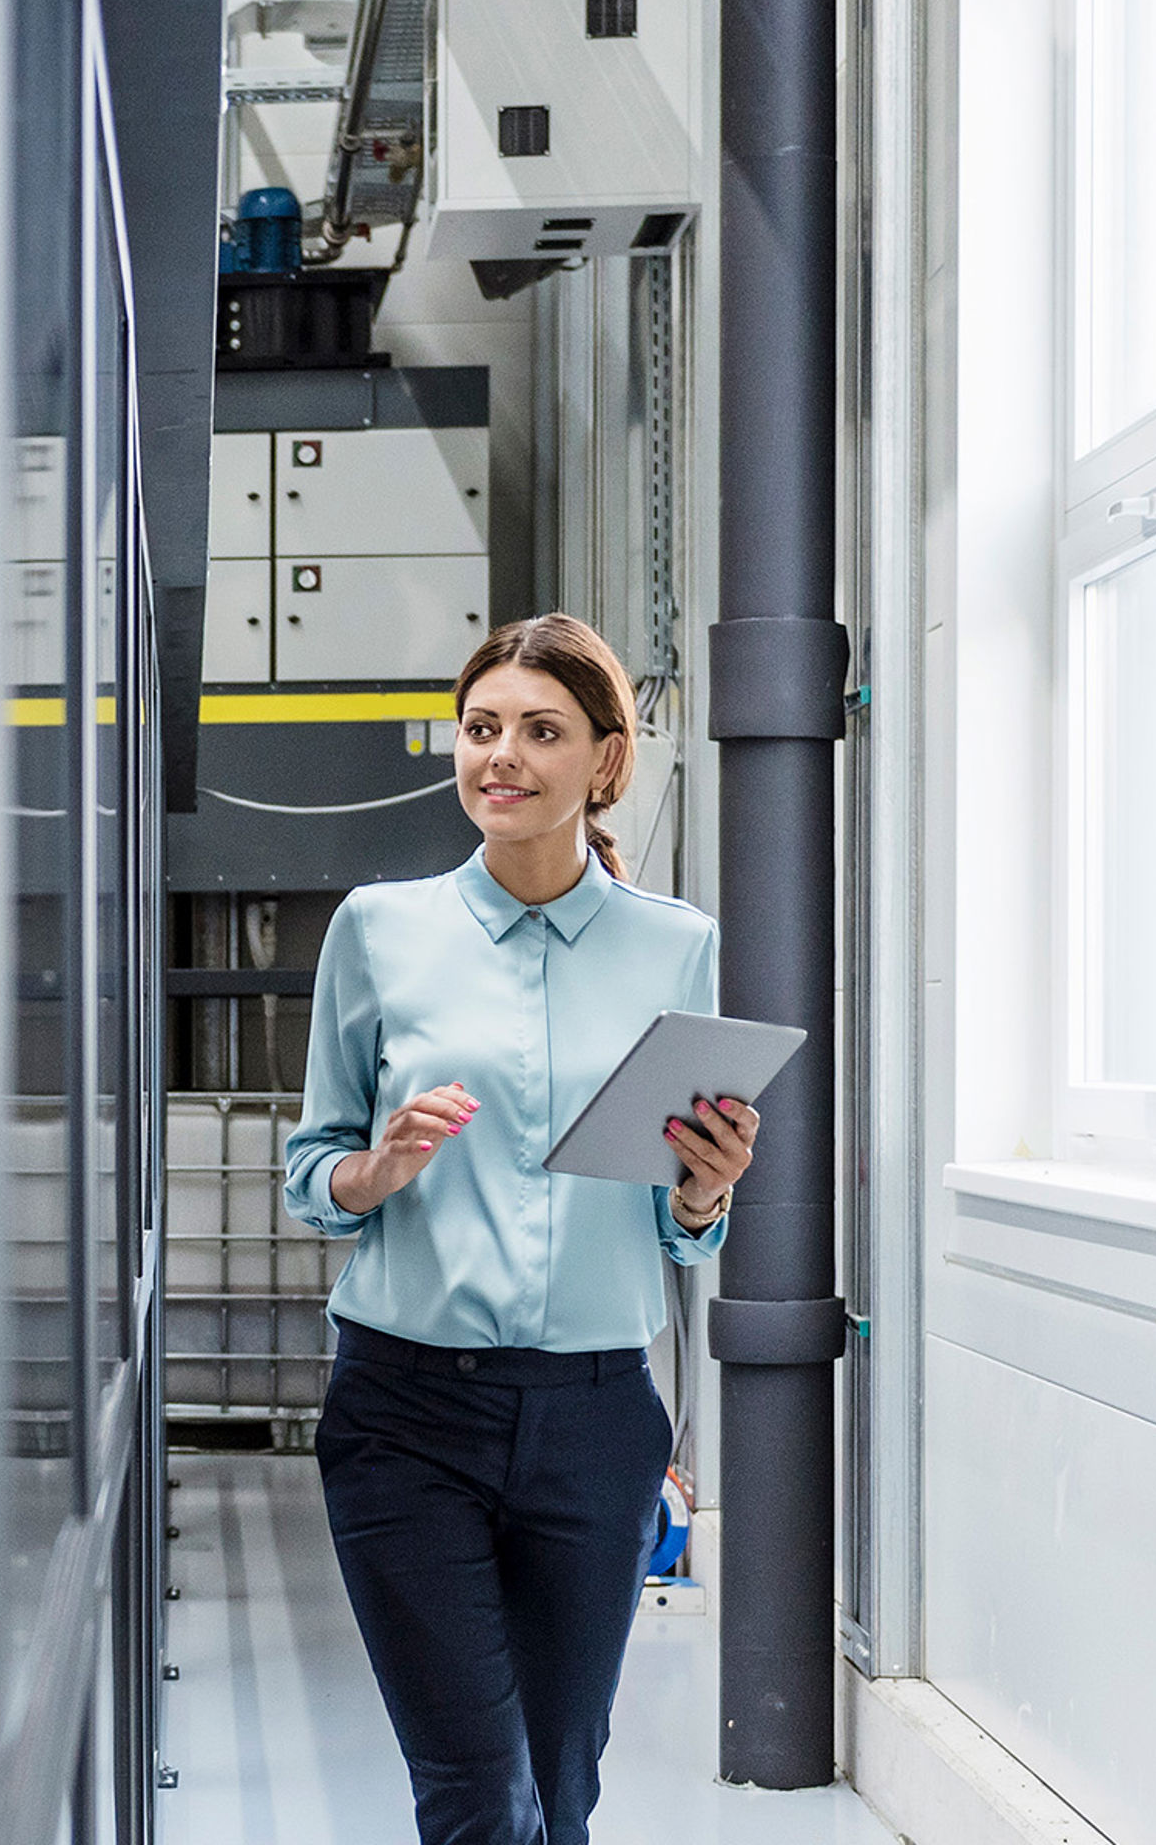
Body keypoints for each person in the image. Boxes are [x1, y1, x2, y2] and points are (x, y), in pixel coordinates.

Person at [283, 614, 762, 1845]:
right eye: (482, 727)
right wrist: (375, 1169)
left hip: (594, 1419)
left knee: (561, 1788)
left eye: (541, 732)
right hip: (405, 1415)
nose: (501, 756)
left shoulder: (677, 945)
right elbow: (308, 1169)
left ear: (605, 762)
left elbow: (679, 1220)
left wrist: (707, 1191)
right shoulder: (380, 931)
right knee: (476, 1793)